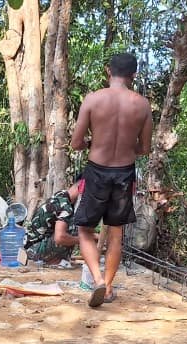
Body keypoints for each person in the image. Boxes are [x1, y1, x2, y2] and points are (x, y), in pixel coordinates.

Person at [70, 52, 153, 307]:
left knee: (85, 230)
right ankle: (107, 288)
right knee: (116, 233)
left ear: (109, 71)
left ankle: (97, 279)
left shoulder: (93, 99)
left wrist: (92, 143)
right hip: (124, 172)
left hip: (97, 170)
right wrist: (127, 147)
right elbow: (145, 148)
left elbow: (76, 142)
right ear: (133, 75)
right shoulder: (142, 105)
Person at [24, 177, 85, 264]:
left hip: (30, 247)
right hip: (34, 251)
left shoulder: (61, 194)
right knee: (74, 230)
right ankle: (55, 261)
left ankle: (58, 260)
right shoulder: (66, 207)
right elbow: (59, 238)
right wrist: (84, 239)